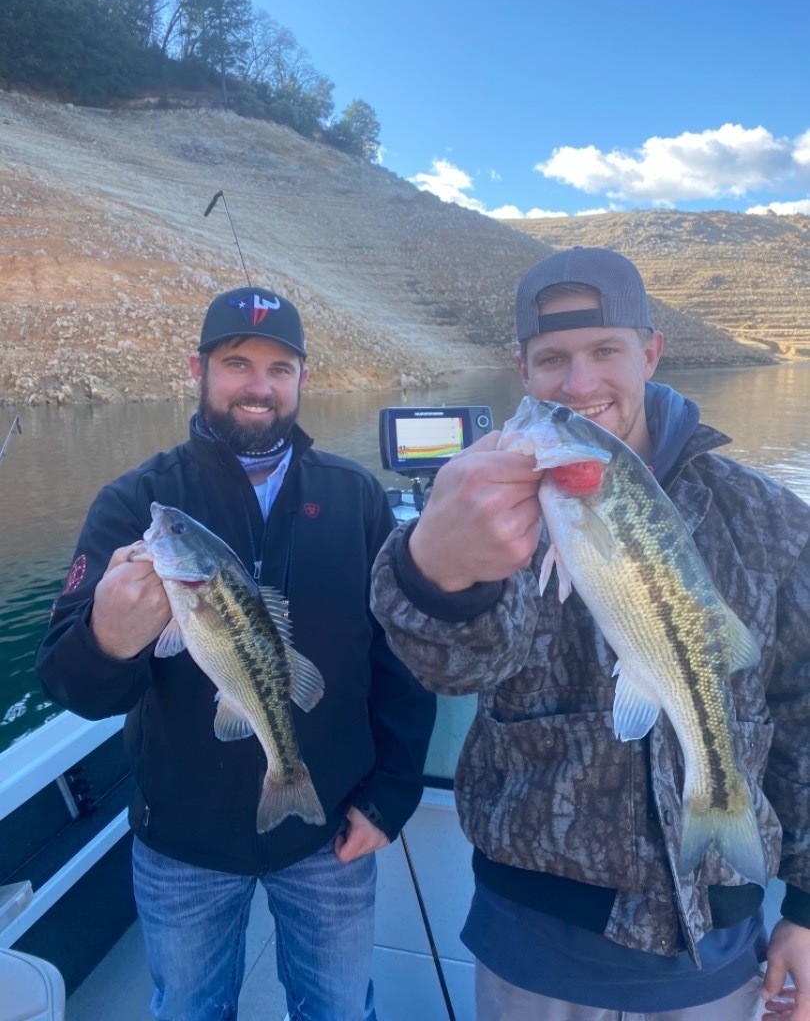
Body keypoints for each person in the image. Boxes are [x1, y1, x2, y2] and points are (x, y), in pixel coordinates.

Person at [369, 246, 810, 1020]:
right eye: (552, 361)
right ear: (522, 369)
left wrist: (805, 905)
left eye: (605, 351)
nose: (578, 385)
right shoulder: (489, 496)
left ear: (650, 351)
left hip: (712, 948)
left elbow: (804, 709)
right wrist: (432, 568)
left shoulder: (767, 515)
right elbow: (454, 669)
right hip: (534, 945)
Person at [36, 285, 436, 1021]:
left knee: (342, 1012)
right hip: (182, 842)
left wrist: (393, 796)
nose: (259, 386)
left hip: (332, 827)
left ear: (302, 380)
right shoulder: (137, 503)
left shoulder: (355, 498)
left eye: (280, 368)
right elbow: (72, 684)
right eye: (237, 362)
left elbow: (401, 659)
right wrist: (107, 640)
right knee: (188, 1011)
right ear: (200, 369)